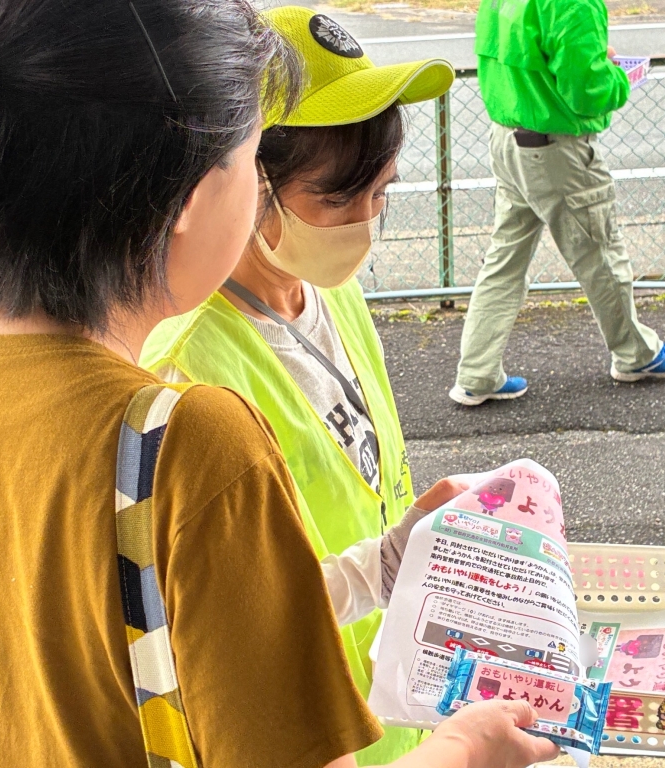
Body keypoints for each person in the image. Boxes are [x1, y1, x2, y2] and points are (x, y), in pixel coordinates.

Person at [0, 1, 560, 767]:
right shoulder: (188, 437)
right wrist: (469, 750)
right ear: (190, 199)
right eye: (249, 159)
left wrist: (376, 567)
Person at [140, 8, 461, 764]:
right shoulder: (182, 366)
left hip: (393, 688)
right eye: (338, 200)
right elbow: (205, 622)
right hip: (307, 726)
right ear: (244, 180)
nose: (365, 223)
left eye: (382, 193)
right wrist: (374, 570)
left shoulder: (329, 289)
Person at [448, 0, 665, 406]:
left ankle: (477, 373)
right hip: (556, 149)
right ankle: (637, 355)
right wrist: (617, 76)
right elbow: (587, 92)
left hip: (507, 137)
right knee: (600, 254)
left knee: (505, 260)